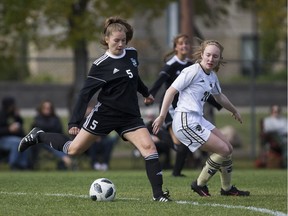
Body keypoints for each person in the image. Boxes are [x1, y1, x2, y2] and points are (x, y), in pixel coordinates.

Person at [18, 16, 171, 202]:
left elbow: (135, 78)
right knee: (73, 150)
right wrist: (74, 121)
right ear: (107, 39)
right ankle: (39, 135)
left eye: (123, 40)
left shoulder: (132, 54)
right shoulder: (100, 65)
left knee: (149, 148)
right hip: (105, 115)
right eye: (116, 40)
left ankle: (158, 195)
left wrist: (146, 93)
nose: (121, 44)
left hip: (130, 116)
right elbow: (85, 94)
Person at [152, 39, 250, 197]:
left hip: (198, 119)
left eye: (215, 56)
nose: (211, 59)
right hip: (185, 121)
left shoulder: (211, 75)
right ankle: (199, 184)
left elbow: (219, 97)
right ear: (202, 55)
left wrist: (234, 110)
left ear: (219, 58)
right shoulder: (192, 71)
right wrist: (162, 116)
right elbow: (170, 91)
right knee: (223, 150)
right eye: (208, 55)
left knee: (228, 149)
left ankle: (227, 188)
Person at [149, 34, 222, 177]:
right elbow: (160, 82)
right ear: (175, 47)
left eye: (187, 44)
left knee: (183, 145)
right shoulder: (171, 64)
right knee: (179, 144)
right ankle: (153, 129)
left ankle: (176, 172)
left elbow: (202, 89)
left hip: (184, 107)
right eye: (181, 43)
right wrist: (150, 94)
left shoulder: (192, 66)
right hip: (170, 106)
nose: (184, 46)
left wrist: (216, 104)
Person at [30, 100, 73, 170]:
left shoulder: (56, 119)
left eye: (49, 108)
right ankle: (65, 158)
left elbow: (60, 131)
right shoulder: (38, 119)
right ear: (41, 109)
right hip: (43, 142)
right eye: (45, 108)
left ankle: (63, 163)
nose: (47, 110)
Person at [0, 96, 29, 170]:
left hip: (14, 138)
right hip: (2, 139)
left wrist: (18, 116)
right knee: (16, 142)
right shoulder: (1, 115)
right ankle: (13, 164)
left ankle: (23, 165)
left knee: (25, 141)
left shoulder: (13, 115)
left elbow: (20, 124)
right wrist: (8, 129)